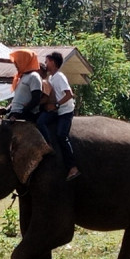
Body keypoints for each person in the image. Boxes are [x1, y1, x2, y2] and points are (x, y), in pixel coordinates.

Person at [37, 51, 80, 181]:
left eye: (47, 61)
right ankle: (48, 145)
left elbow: (69, 94)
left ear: (53, 63)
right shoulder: (51, 78)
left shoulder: (60, 76)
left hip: (65, 111)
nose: (45, 64)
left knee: (62, 135)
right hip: (57, 111)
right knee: (40, 121)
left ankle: (73, 167)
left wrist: (56, 105)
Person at [6, 49, 42, 121]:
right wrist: (7, 109)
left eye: (18, 61)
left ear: (25, 61)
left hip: (24, 115)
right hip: (15, 113)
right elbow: (19, 99)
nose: (15, 64)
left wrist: (22, 113)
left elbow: (36, 99)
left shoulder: (34, 76)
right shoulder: (21, 77)